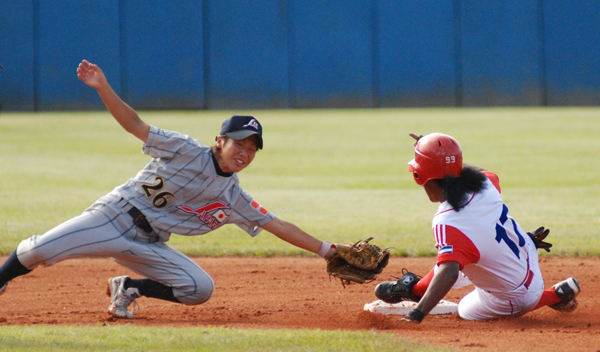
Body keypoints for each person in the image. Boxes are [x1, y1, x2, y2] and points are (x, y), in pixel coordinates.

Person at [0, 59, 339, 319]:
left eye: (252, 149)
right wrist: (102, 86)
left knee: (199, 289)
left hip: (147, 244)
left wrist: (328, 250)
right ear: (220, 141)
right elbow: (135, 125)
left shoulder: (234, 197)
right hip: (113, 217)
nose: (245, 153)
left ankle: (129, 286)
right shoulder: (184, 148)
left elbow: (277, 225)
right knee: (35, 252)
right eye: (239, 144)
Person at [374, 132, 580, 323]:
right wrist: (444, 159)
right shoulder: (485, 184)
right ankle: (416, 289)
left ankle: (554, 296)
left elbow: (449, 274)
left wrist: (416, 314)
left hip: (515, 297)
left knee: (464, 306)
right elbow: (476, 173)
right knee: (458, 254)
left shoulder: (446, 221)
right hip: (526, 252)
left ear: (419, 175)